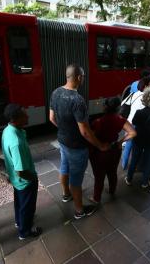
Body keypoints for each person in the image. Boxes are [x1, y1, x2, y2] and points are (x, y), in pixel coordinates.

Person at [49, 64, 108, 220]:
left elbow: (51, 118)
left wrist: (64, 129)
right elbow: (84, 132)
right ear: (79, 77)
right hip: (77, 147)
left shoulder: (56, 92)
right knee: (76, 179)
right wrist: (100, 145)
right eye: (83, 76)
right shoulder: (77, 100)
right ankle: (79, 211)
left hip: (62, 140)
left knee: (64, 167)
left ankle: (66, 195)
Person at [1, 103, 41, 240]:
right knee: (27, 207)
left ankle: (20, 222)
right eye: (24, 114)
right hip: (24, 181)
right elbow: (21, 171)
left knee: (20, 203)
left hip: (16, 181)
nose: (28, 115)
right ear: (15, 119)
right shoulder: (16, 142)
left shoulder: (8, 130)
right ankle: (25, 232)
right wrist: (33, 178)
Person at [88, 97, 136, 204]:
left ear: (105, 107)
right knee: (112, 172)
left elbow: (90, 136)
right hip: (114, 150)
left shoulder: (98, 122)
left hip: (99, 152)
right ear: (118, 108)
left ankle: (96, 198)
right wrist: (120, 142)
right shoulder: (120, 120)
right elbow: (133, 132)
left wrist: (99, 145)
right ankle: (112, 190)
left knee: (99, 176)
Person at [125, 87, 150, 188]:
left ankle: (129, 179)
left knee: (134, 159)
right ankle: (145, 182)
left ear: (144, 99)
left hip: (139, 139)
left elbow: (134, 123)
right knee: (148, 161)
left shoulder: (139, 112)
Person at [121, 76, 150, 169]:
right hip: (139, 124)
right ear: (146, 86)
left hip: (129, 122)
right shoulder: (147, 97)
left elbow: (123, 104)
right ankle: (134, 167)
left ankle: (124, 165)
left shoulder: (134, 94)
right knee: (137, 147)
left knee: (128, 145)